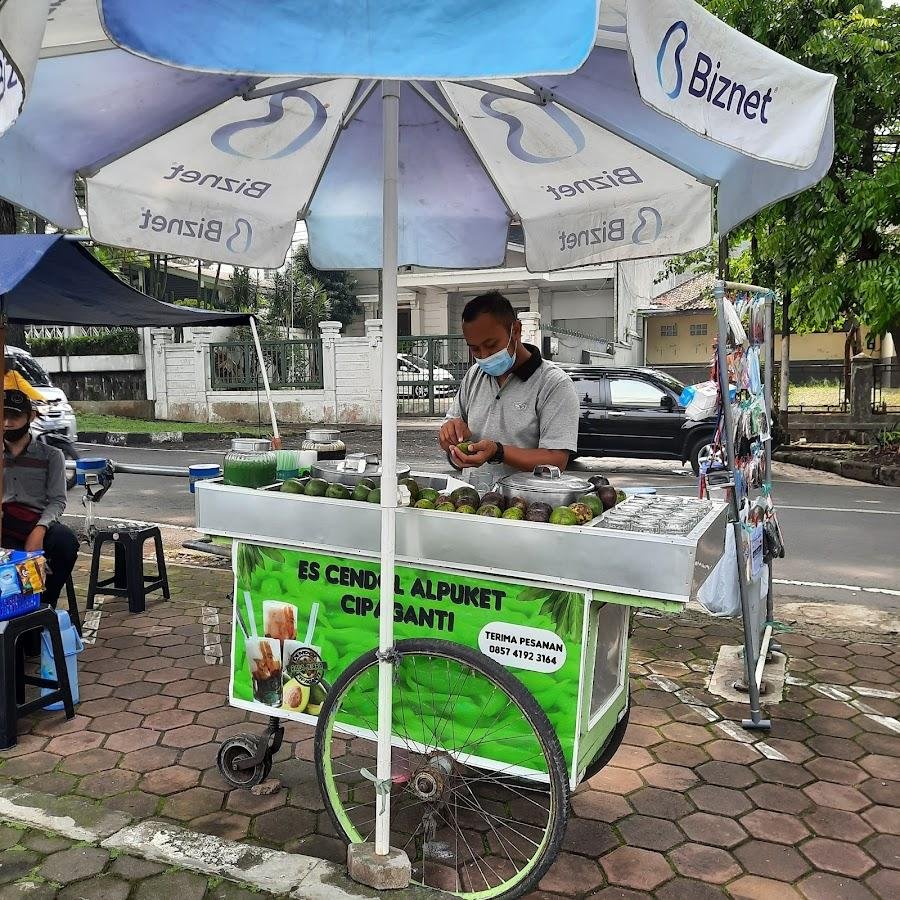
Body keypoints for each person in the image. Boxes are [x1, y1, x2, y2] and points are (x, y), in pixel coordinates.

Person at [439, 291, 580, 482]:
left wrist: (498, 452)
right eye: (475, 349)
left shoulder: (554, 384)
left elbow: (556, 460)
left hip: (528, 507)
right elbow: (451, 435)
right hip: (472, 502)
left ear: (516, 330)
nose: (484, 355)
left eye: (491, 345)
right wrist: (450, 438)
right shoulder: (474, 375)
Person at [2, 387, 79, 612]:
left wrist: (40, 529)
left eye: (15, 416)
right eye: (3, 416)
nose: (7, 422)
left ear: (30, 417)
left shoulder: (51, 456)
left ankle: (43, 607)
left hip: (34, 521)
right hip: (4, 522)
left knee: (65, 542)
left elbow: (57, 501)